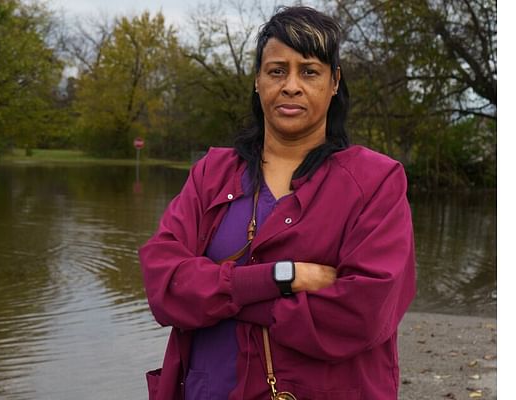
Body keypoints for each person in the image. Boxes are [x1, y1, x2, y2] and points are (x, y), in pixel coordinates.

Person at [138, 6, 416, 400]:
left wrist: (225, 296)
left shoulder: (375, 182)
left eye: (309, 71)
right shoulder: (211, 174)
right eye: (276, 71)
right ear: (257, 81)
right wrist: (281, 278)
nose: (291, 85)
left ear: (334, 82)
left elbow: (364, 314)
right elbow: (164, 283)